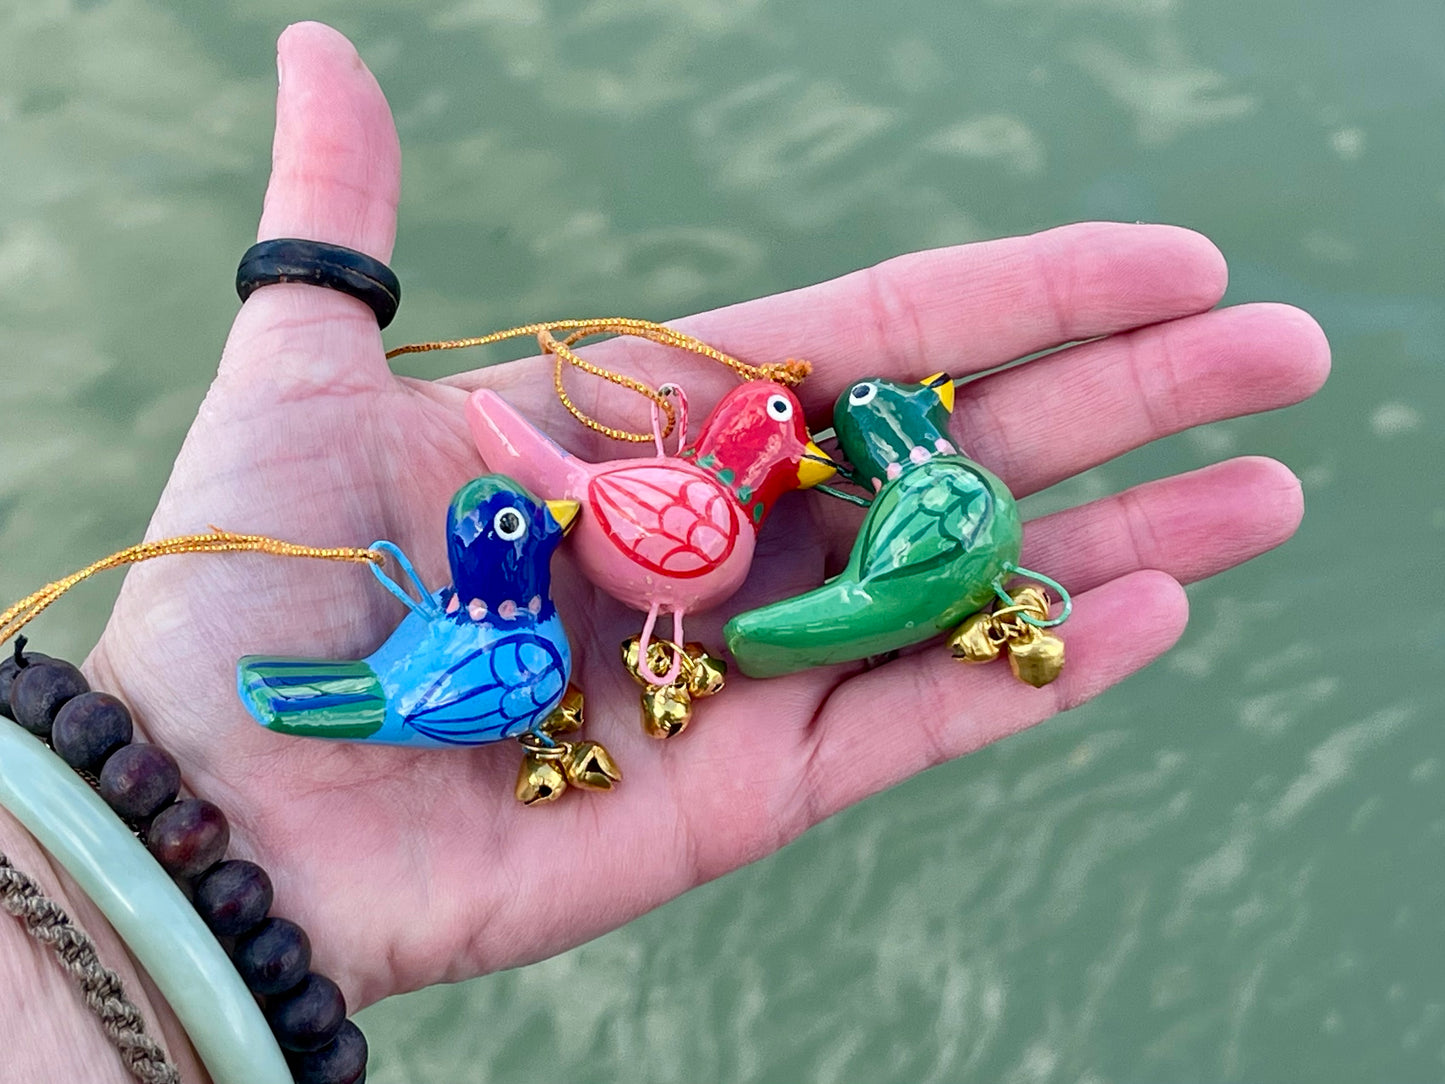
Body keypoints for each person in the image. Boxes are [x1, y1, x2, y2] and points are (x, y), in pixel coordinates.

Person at [0, 21, 1329, 1082]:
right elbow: (624, 556)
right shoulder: (615, 569)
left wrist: (90, 886)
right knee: (551, 669)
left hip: (582, 642)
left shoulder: (715, 528)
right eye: (792, 442)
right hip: (518, 662)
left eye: (812, 449)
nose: (811, 457)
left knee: (651, 649)